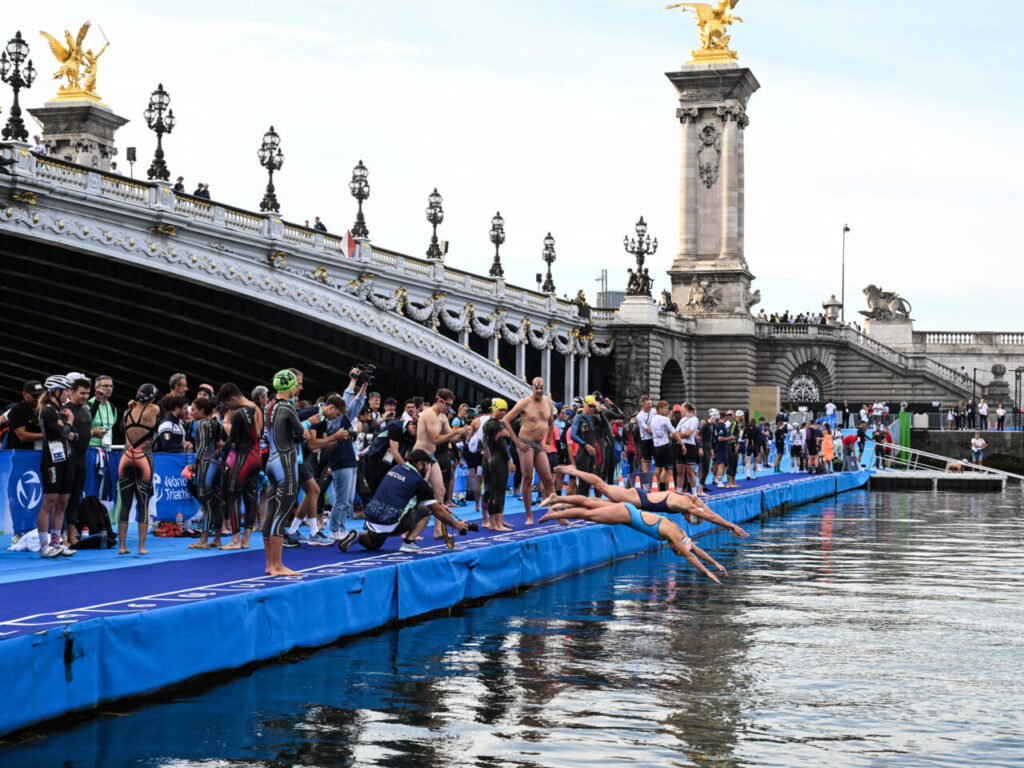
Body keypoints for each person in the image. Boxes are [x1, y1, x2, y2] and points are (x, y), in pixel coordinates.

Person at [538, 500, 726, 583]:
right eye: (674, 550)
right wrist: (707, 572)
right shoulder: (674, 536)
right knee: (589, 515)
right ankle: (555, 513)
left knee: (592, 505)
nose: (672, 548)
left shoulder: (681, 532)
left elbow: (694, 550)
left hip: (629, 511)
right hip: (626, 515)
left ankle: (560, 503)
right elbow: (689, 556)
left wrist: (716, 563)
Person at [546, 465, 749, 540]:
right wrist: (731, 526)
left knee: (593, 502)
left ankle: (558, 501)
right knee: (601, 487)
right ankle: (573, 471)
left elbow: (708, 511)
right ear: (691, 514)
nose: (687, 517)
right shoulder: (687, 505)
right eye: (691, 518)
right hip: (638, 499)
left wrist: (728, 525)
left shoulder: (691, 499)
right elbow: (709, 516)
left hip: (639, 501)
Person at [339, 449, 469, 553]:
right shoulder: (419, 482)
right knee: (426, 511)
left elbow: (402, 495)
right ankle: (408, 543)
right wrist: (456, 525)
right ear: (420, 464)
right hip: (389, 523)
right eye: (428, 465)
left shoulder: (396, 469)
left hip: (371, 519)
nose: (429, 469)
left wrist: (438, 505)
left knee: (374, 544)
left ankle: (358, 536)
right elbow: (437, 511)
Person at [263, 370, 310, 576]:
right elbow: (302, 436)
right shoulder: (288, 408)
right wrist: (303, 433)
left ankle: (269, 564)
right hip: (285, 464)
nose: (298, 388)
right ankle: (278, 565)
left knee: (271, 513)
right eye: (296, 385)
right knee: (281, 515)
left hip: (271, 461)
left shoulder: (268, 406)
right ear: (290, 386)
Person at [413, 388, 469, 537]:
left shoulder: (443, 417)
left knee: (440, 491)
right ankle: (408, 531)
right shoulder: (429, 415)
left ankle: (438, 531)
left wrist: (463, 434)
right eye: (448, 405)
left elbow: (451, 439)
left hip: (430, 456)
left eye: (451, 406)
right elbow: (436, 439)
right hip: (419, 456)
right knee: (417, 494)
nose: (449, 408)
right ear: (439, 401)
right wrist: (457, 431)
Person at [503, 377, 556, 525]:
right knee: (527, 478)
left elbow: (551, 423)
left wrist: (548, 442)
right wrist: (516, 441)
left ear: (544, 388)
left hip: (539, 444)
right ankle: (529, 515)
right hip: (525, 443)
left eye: (541, 388)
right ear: (532, 388)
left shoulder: (548, 403)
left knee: (548, 479)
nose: (539, 390)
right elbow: (506, 419)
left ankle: (555, 512)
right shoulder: (524, 403)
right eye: (536, 388)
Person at [217, 382, 263, 550]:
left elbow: (232, 441)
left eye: (228, 404)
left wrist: (222, 452)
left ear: (234, 398)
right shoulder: (257, 409)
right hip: (257, 457)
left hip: (243, 457)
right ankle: (246, 540)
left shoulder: (239, 413)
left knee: (233, 496)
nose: (227, 408)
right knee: (251, 497)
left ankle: (235, 540)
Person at [37, 375, 77, 558]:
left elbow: (73, 436)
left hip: (66, 460)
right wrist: (69, 424)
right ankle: (44, 546)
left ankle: (56, 543)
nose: (69, 394)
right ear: (57, 391)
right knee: (50, 502)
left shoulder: (62, 411)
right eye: (67, 390)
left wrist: (68, 429)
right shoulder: (48, 410)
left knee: (63, 503)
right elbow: (62, 434)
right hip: (52, 461)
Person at [118, 383, 160, 555]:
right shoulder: (154, 409)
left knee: (125, 504)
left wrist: (132, 405)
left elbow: (121, 429)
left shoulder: (128, 411)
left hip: (126, 457)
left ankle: (122, 546)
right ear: (152, 397)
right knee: (143, 504)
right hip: (143, 458)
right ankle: (141, 547)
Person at [187, 397, 226, 550]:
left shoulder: (201, 423)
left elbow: (202, 446)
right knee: (216, 502)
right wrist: (219, 450)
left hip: (205, 464)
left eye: (194, 409)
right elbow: (228, 442)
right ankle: (217, 539)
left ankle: (203, 540)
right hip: (216, 464)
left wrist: (195, 464)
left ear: (202, 410)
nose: (192, 412)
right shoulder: (217, 423)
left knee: (206, 503)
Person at [63, 378, 97, 546]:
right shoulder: (65, 410)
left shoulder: (86, 409)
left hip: (81, 460)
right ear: (71, 392)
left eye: (87, 393)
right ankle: (60, 534)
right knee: (64, 499)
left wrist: (92, 434)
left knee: (75, 498)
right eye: (82, 393)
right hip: (67, 460)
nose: (85, 396)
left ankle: (72, 535)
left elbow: (83, 433)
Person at [480, 398, 517, 530]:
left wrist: (488, 457)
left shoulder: (487, 424)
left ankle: (494, 521)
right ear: (495, 409)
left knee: (492, 492)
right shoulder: (497, 425)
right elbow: (501, 446)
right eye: (501, 410)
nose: (503, 412)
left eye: (505, 410)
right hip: (498, 460)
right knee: (498, 492)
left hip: (490, 459)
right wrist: (509, 460)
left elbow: (484, 444)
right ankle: (496, 523)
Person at [570, 396, 601, 496]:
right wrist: (586, 445)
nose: (592, 408)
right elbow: (573, 435)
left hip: (592, 454)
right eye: (590, 406)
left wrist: (600, 411)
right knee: (583, 483)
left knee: (591, 481)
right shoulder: (578, 417)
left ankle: (585, 507)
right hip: (583, 453)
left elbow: (606, 425)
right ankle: (578, 507)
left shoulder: (594, 418)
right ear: (584, 405)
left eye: (593, 406)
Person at [5, 380, 44, 450]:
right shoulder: (17, 410)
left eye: (40, 395)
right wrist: (45, 435)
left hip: (40, 451)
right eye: (35, 396)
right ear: (25, 394)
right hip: (20, 451)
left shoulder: (44, 407)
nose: (38, 398)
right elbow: (22, 436)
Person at [635, 396, 655, 473]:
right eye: (648, 404)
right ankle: (644, 482)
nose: (650, 405)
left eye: (650, 404)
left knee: (659, 464)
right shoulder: (639, 416)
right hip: (646, 441)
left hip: (655, 439)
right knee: (647, 465)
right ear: (642, 404)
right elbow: (648, 430)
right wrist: (659, 431)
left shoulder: (654, 411)